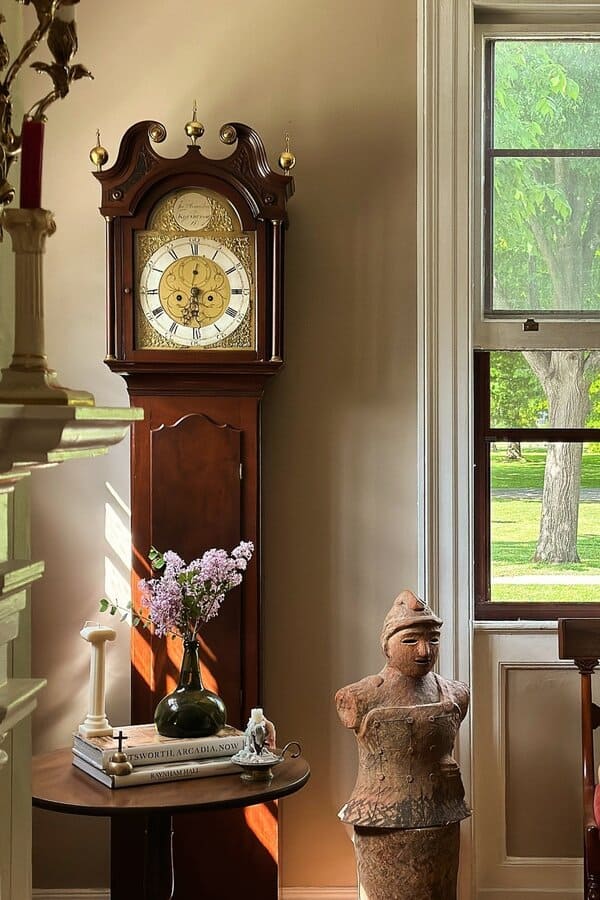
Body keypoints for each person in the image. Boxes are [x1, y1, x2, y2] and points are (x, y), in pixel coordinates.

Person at [335, 589, 470, 900]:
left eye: (433, 639)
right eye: (410, 640)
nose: (424, 650)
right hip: (381, 820)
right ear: (387, 645)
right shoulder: (359, 697)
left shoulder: (455, 693)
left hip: (442, 814)